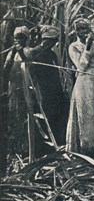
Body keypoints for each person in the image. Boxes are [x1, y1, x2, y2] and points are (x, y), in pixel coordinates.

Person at [67, 19, 94, 152]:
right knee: (86, 111)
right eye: (79, 29)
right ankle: (87, 146)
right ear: (75, 31)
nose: (82, 32)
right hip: (84, 82)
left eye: (85, 28)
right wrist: (87, 48)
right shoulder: (73, 47)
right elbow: (81, 66)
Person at [29, 25, 69, 154]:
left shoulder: (52, 53)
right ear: (43, 39)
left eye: (53, 41)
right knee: (46, 118)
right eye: (48, 40)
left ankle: (58, 144)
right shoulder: (34, 52)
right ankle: (45, 149)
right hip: (42, 91)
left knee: (59, 115)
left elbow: (56, 73)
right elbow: (30, 75)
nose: (50, 43)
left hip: (55, 90)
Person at [3, 26, 32, 156]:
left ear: (26, 39)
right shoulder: (12, 53)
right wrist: (13, 53)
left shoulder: (28, 51)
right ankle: (13, 146)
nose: (18, 40)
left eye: (21, 38)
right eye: (16, 38)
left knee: (22, 116)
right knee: (13, 115)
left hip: (24, 87)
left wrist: (19, 52)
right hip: (13, 86)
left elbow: (27, 64)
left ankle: (24, 148)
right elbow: (5, 70)